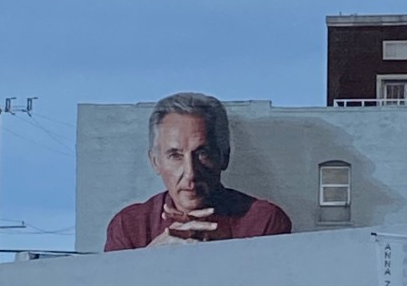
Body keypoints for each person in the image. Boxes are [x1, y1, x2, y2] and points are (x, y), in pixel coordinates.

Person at [104, 92, 291, 251]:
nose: (191, 173)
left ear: (224, 157)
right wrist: (149, 260)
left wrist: (228, 253)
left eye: (203, 154)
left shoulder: (263, 221)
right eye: (175, 155)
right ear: (155, 162)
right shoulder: (129, 225)